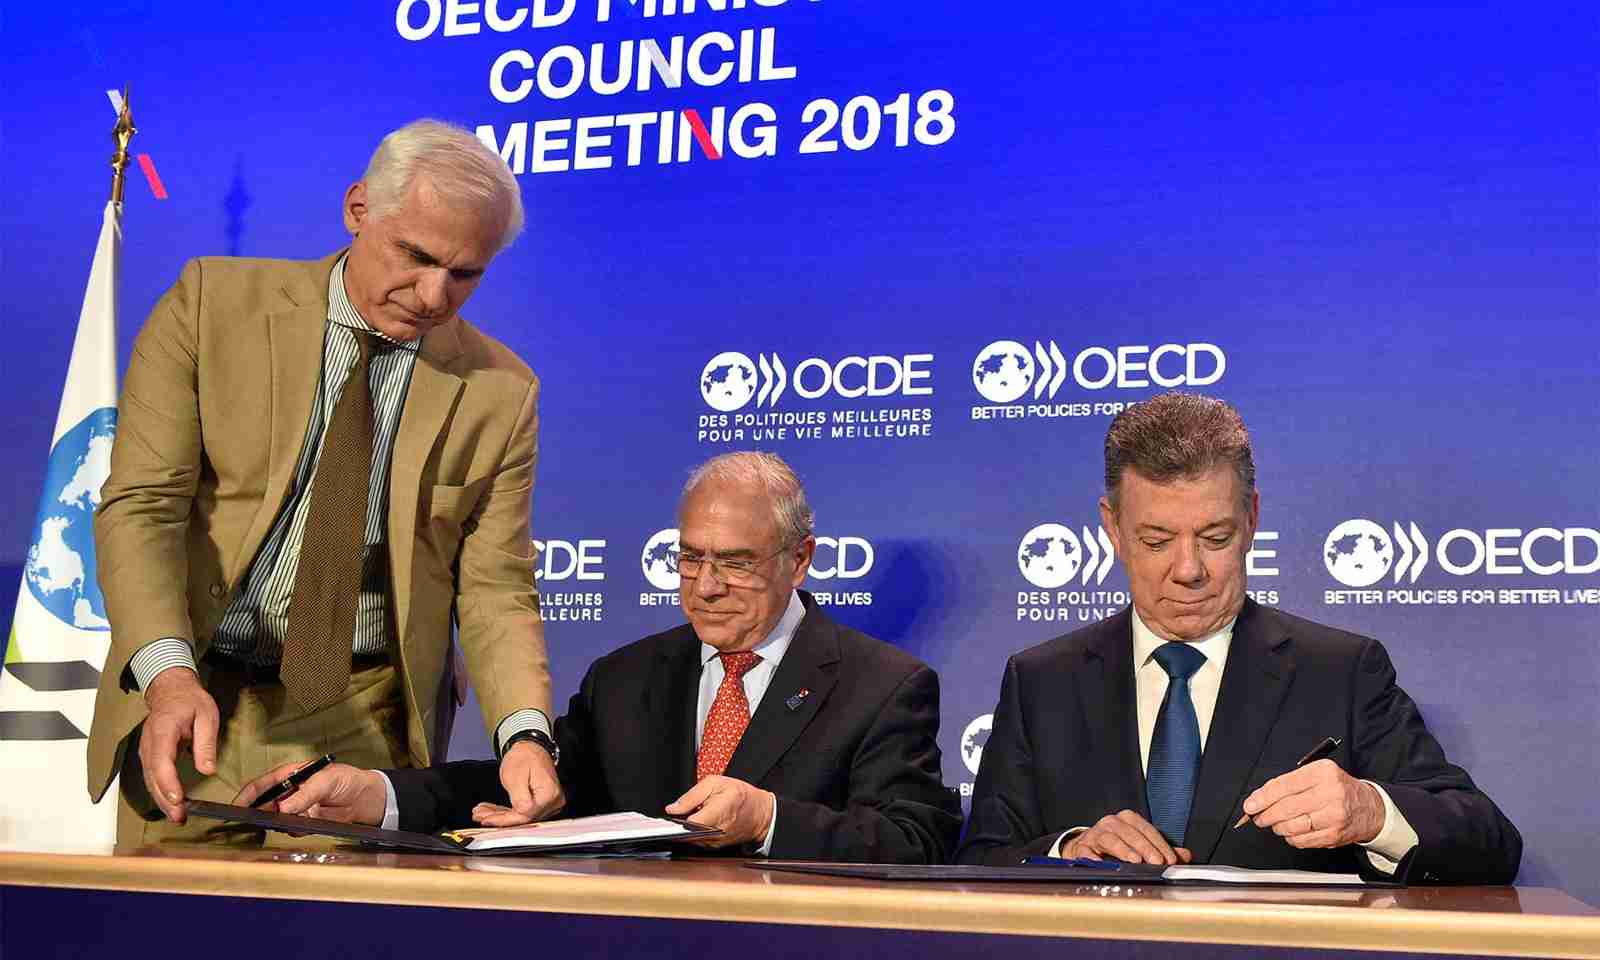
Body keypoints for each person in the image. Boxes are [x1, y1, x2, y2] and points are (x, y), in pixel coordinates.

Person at [88, 119, 563, 845]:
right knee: (168, 907)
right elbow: (143, 507)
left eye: (465, 274)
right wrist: (167, 675)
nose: (433, 294)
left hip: (357, 718)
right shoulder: (211, 305)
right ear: (358, 208)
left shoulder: (502, 390)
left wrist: (524, 735)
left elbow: (496, 585)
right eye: (416, 256)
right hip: (192, 691)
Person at [238, 452, 963, 863]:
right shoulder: (627, 677)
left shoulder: (882, 685)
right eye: (690, 558)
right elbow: (534, 790)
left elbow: (916, 840)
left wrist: (768, 818)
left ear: (799, 560)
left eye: (736, 563)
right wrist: (378, 796)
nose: (706, 587)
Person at [957, 393, 1521, 883]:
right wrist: (1069, 851)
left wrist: (1370, 811)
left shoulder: (1341, 671)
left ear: (1250, 518)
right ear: (1113, 528)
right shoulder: (1042, 681)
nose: (1188, 569)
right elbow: (979, 863)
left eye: (1215, 537)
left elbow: (1489, 842)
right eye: (1156, 541)